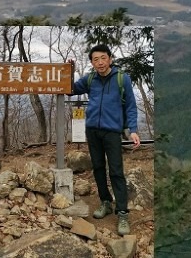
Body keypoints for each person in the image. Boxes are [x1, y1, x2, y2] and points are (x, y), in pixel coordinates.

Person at [70, 44, 140, 236]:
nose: (99, 62)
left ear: (110, 58)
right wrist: (70, 71)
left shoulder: (121, 79)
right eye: (95, 59)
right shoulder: (90, 79)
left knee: (116, 171)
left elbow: (131, 107)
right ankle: (105, 202)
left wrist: (133, 130)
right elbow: (70, 90)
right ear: (92, 62)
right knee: (98, 168)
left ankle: (123, 212)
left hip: (112, 132)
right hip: (92, 130)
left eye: (103, 58)